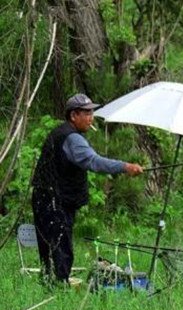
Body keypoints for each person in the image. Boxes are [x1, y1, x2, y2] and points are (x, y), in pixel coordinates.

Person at [31, 93, 143, 285]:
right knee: (60, 245)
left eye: (92, 112)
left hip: (46, 198)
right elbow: (94, 161)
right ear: (74, 115)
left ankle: (50, 283)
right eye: (87, 112)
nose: (91, 116)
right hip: (54, 200)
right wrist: (125, 167)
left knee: (50, 245)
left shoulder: (61, 132)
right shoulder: (72, 139)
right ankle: (59, 286)